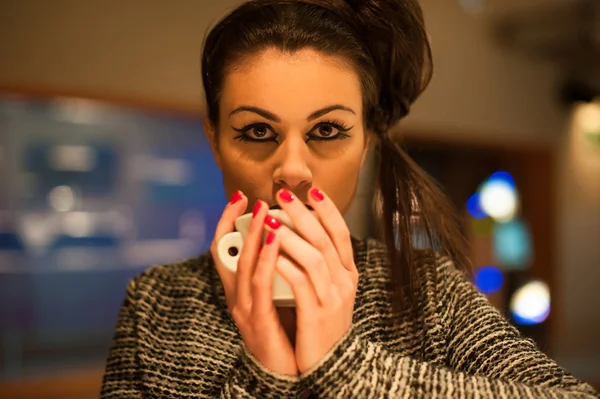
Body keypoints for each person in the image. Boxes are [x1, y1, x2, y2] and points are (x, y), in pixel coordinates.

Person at [101, 0, 599, 398]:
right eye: (256, 130)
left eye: (326, 130)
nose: (292, 168)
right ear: (215, 142)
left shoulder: (426, 291)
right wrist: (263, 373)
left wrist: (341, 364)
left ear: (366, 144)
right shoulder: (157, 304)